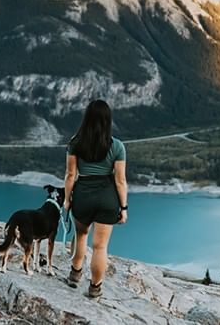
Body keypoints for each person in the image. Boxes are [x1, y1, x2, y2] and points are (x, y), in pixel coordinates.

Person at [63, 99, 128, 298]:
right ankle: (94, 288)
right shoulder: (117, 146)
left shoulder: (75, 142)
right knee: (100, 246)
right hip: (107, 199)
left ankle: (75, 274)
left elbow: (70, 175)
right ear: (108, 120)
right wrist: (123, 208)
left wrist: (67, 200)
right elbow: (120, 181)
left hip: (83, 196)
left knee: (81, 235)